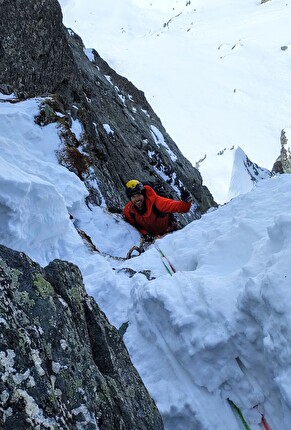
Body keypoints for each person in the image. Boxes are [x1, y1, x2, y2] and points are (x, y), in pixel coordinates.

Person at [123, 179, 192, 243]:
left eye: (138, 195)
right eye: (133, 197)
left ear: (143, 194)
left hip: (171, 233)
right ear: (130, 199)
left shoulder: (157, 202)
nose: (137, 199)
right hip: (153, 238)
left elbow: (183, 208)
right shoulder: (129, 211)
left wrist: (187, 200)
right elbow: (135, 226)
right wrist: (146, 234)